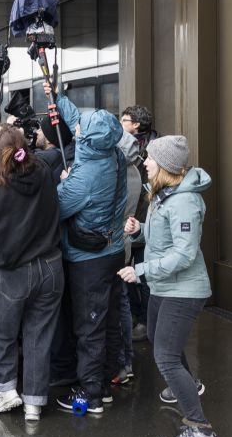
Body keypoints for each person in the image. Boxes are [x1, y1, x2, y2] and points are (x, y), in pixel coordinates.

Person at [117, 135, 216, 437]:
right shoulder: (164, 193)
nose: (145, 162)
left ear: (167, 166)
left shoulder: (184, 201)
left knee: (165, 357)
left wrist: (142, 270)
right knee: (163, 341)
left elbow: (185, 255)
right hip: (165, 286)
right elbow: (164, 237)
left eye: (150, 159)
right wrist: (140, 230)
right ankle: (187, 386)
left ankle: (200, 430)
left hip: (183, 291)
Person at [0, 127, 63, 422]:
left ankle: (7, 391)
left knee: (2, 334)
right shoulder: (45, 174)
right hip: (51, 265)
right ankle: (34, 403)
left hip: (12, 271)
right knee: (39, 336)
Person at [47, 83, 127, 415]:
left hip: (87, 261)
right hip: (113, 250)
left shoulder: (86, 178)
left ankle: (90, 393)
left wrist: (64, 181)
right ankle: (106, 382)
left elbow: (56, 209)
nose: (76, 127)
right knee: (107, 322)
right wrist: (54, 94)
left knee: (89, 325)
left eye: (81, 127)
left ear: (87, 138)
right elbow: (78, 121)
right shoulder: (110, 152)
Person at [110, 131, 146, 385]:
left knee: (117, 305)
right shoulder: (133, 170)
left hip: (113, 245)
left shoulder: (119, 173)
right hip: (123, 245)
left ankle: (121, 363)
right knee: (121, 301)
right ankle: (126, 362)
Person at [121, 105, 158, 340]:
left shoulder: (152, 150)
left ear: (136, 125)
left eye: (124, 120)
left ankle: (146, 322)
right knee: (126, 273)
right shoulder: (126, 147)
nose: (120, 123)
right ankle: (135, 315)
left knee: (144, 276)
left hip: (144, 220)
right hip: (129, 220)